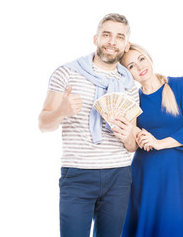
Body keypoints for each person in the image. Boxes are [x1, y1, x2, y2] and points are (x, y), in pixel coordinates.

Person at [38, 13, 139, 237]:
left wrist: (127, 136)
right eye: (107, 34)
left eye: (119, 37)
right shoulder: (66, 73)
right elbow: (43, 124)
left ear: (126, 45)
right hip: (77, 176)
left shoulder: (130, 84)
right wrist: (62, 111)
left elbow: (131, 146)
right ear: (96, 39)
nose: (112, 41)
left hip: (119, 176)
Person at [120, 44, 183, 237]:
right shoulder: (133, 101)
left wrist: (158, 142)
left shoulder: (180, 85)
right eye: (131, 66)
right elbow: (132, 144)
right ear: (127, 74)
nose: (140, 66)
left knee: (172, 225)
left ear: (149, 57)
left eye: (141, 59)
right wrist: (132, 135)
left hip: (176, 173)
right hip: (144, 174)